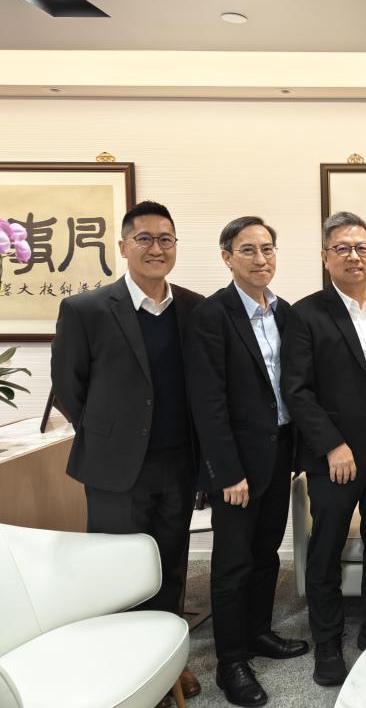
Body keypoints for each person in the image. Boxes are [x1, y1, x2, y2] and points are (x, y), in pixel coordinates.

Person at [50, 200, 204, 703]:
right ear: (123, 246)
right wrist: (113, 437)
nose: (156, 248)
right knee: (118, 569)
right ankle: (124, 665)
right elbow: (70, 389)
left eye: (166, 239)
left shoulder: (193, 308)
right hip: (116, 469)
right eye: (144, 238)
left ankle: (171, 662)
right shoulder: (87, 309)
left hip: (178, 463)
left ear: (175, 248)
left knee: (171, 564)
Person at [281, 211, 366, 688]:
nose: (354, 256)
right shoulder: (306, 313)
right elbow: (296, 391)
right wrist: (333, 445)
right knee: (326, 551)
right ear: (325, 257)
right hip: (335, 456)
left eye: (361, 247)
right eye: (342, 248)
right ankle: (328, 641)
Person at [185, 216, 309, 707]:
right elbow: (208, 402)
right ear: (227, 257)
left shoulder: (284, 313)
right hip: (236, 464)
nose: (261, 259)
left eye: (268, 249)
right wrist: (226, 471)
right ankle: (230, 662)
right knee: (232, 562)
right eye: (249, 250)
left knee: (264, 553)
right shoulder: (212, 316)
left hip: (279, 452)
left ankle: (258, 632)